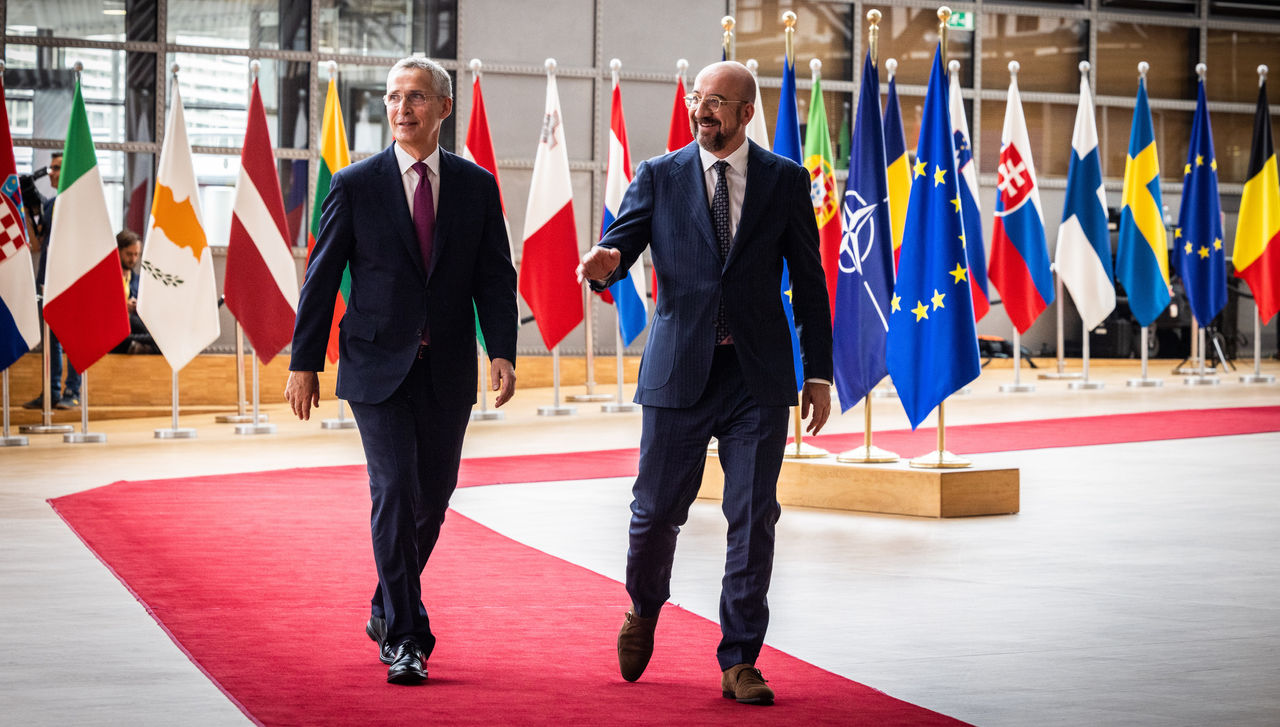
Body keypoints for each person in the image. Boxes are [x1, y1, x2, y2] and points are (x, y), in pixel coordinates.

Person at [577, 60, 833, 707]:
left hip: (758, 378)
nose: (703, 112)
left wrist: (821, 372)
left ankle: (740, 657)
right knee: (655, 512)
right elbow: (621, 246)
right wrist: (605, 264)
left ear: (747, 113)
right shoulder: (659, 177)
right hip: (678, 371)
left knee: (753, 517)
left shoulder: (783, 181)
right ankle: (643, 606)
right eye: (699, 101)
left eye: (717, 103)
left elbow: (809, 283)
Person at [285, 56, 517, 686]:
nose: (402, 109)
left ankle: (385, 603)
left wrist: (501, 349)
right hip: (375, 366)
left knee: (433, 499)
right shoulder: (355, 184)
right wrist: (304, 362)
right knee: (392, 490)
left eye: (416, 98)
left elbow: (494, 275)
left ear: (443, 108)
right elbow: (322, 276)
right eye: (393, 98)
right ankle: (406, 637)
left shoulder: (475, 187)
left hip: (446, 369)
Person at [24, 152, 80, 410]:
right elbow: (37, 244)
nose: (52, 173)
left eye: (57, 168)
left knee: (72, 336)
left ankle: (74, 391)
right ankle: (52, 391)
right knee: (51, 337)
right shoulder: (50, 204)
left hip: (71, 277)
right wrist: (28, 205)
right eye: (51, 168)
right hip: (46, 276)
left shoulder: (79, 203)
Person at [110, 229, 155, 354]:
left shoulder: (139, 282)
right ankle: (143, 344)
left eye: (136, 254)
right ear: (117, 252)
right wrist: (123, 308)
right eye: (129, 254)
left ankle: (140, 344)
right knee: (131, 321)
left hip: (136, 330)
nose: (133, 259)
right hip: (115, 331)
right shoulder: (107, 280)